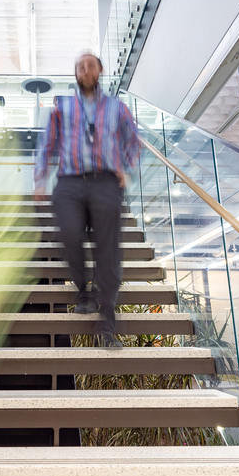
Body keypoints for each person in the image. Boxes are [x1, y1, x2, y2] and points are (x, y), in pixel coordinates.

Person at [34, 53, 140, 347]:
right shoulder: (62, 107)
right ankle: (84, 290)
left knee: (108, 253)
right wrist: (40, 178)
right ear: (76, 75)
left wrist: (126, 168)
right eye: (80, 67)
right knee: (68, 234)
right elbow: (47, 143)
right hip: (69, 182)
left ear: (100, 71)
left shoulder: (117, 108)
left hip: (106, 182)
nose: (85, 70)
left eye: (90, 65)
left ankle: (106, 323)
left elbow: (133, 140)